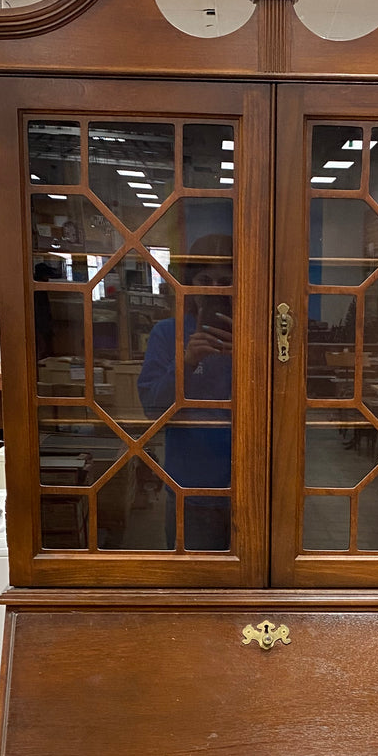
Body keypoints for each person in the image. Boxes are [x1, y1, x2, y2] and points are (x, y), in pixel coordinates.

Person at [137, 233, 233, 550]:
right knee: (193, 589)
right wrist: (187, 362)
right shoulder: (167, 333)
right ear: (191, 283)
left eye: (225, 281)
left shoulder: (257, 330)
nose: (216, 290)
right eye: (205, 280)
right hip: (188, 486)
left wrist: (247, 354)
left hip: (252, 485)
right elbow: (152, 407)